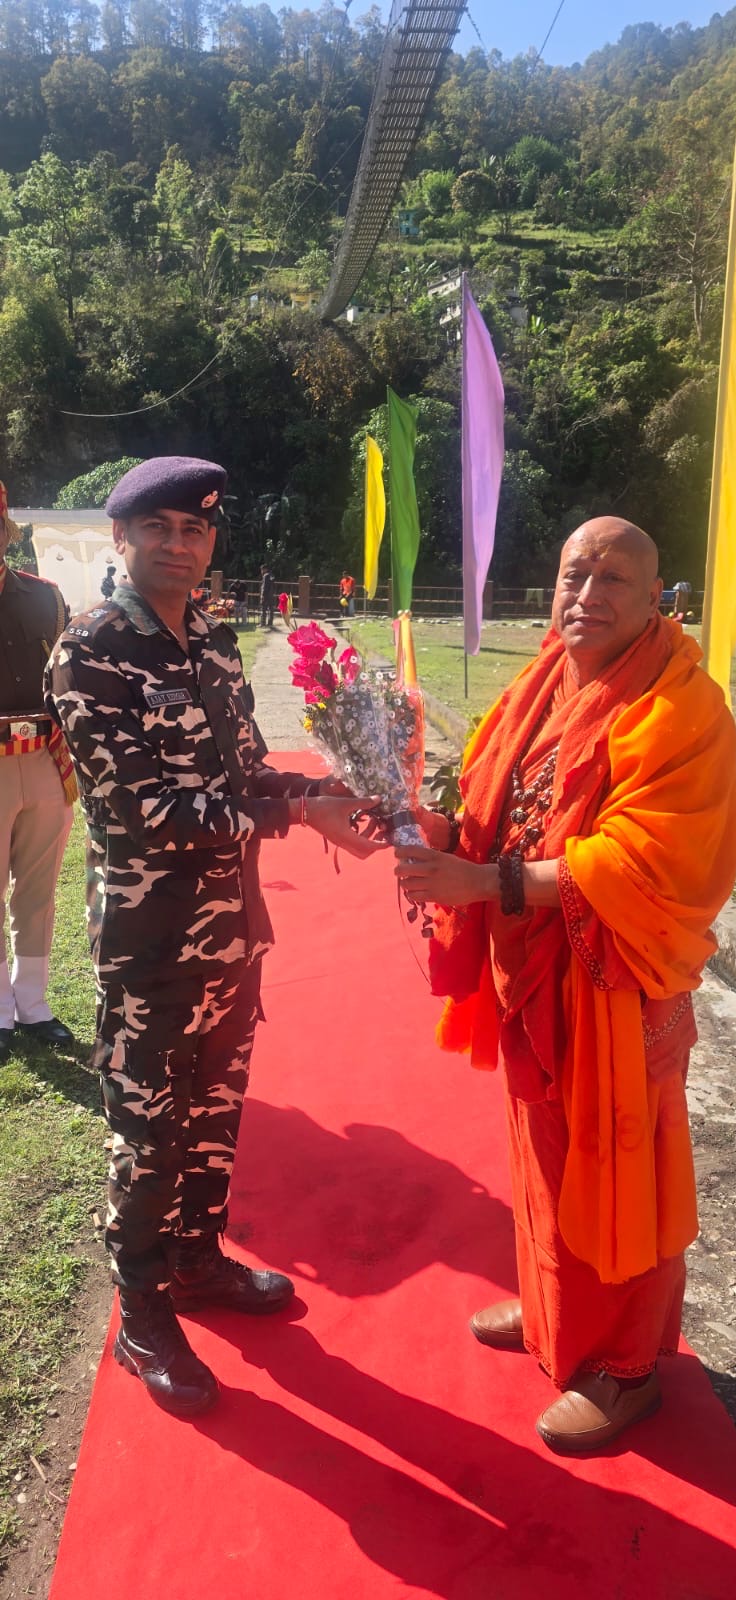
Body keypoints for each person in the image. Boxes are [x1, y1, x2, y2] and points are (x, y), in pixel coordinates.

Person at [46, 455, 382, 1418]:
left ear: (211, 542)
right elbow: (141, 811)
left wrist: (320, 791)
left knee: (214, 1113)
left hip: (231, 931)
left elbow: (242, 774)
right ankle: (143, 1314)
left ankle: (196, 1261)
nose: (178, 544)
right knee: (149, 1131)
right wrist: (296, 817)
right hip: (149, 944)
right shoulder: (90, 652)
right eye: (158, 528)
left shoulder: (215, 641)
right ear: (122, 538)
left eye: (194, 529)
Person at [395, 518, 736, 1454]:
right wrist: (426, 829)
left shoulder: (684, 707)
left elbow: (646, 862)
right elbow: (493, 800)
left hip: (615, 984)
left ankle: (625, 1370)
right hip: (531, 969)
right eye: (572, 574)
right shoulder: (545, 677)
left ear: (656, 595)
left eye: (612, 578)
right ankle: (557, 1312)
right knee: (543, 1153)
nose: (586, 596)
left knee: (620, 1170)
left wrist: (485, 882)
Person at [0, 480, 76, 1065]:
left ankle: (31, 1003)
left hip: (46, 759)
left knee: (38, 891)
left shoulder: (46, 598)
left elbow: (69, 677)